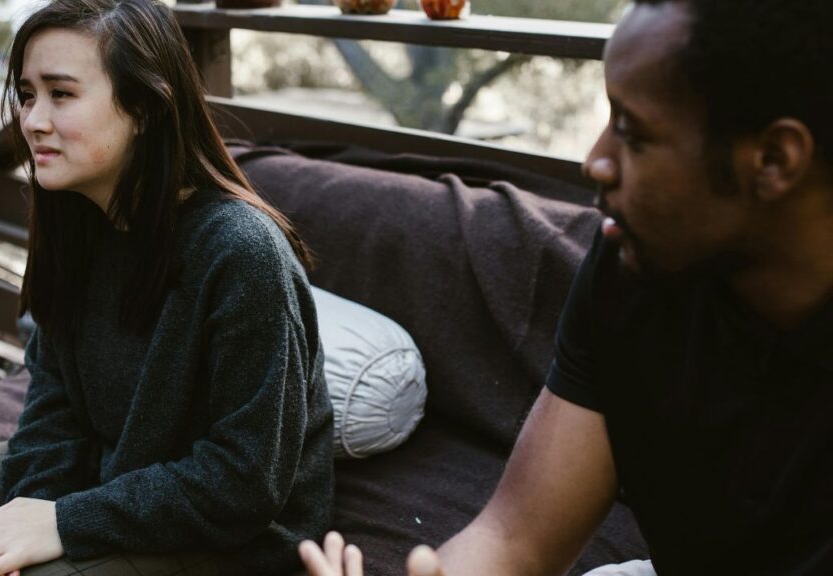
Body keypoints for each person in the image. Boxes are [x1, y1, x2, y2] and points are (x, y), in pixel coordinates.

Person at [300, 0, 833, 574]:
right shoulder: (634, 264)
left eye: (632, 133)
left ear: (773, 160)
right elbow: (516, 538)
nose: (595, 161)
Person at [0, 1, 333, 575]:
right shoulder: (75, 218)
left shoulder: (242, 252)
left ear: (146, 108)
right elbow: (52, 394)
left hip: (239, 532)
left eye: (61, 93)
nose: (32, 120)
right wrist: (31, 505)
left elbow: (246, 481)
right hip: (111, 467)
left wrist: (66, 521)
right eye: (27, 94)